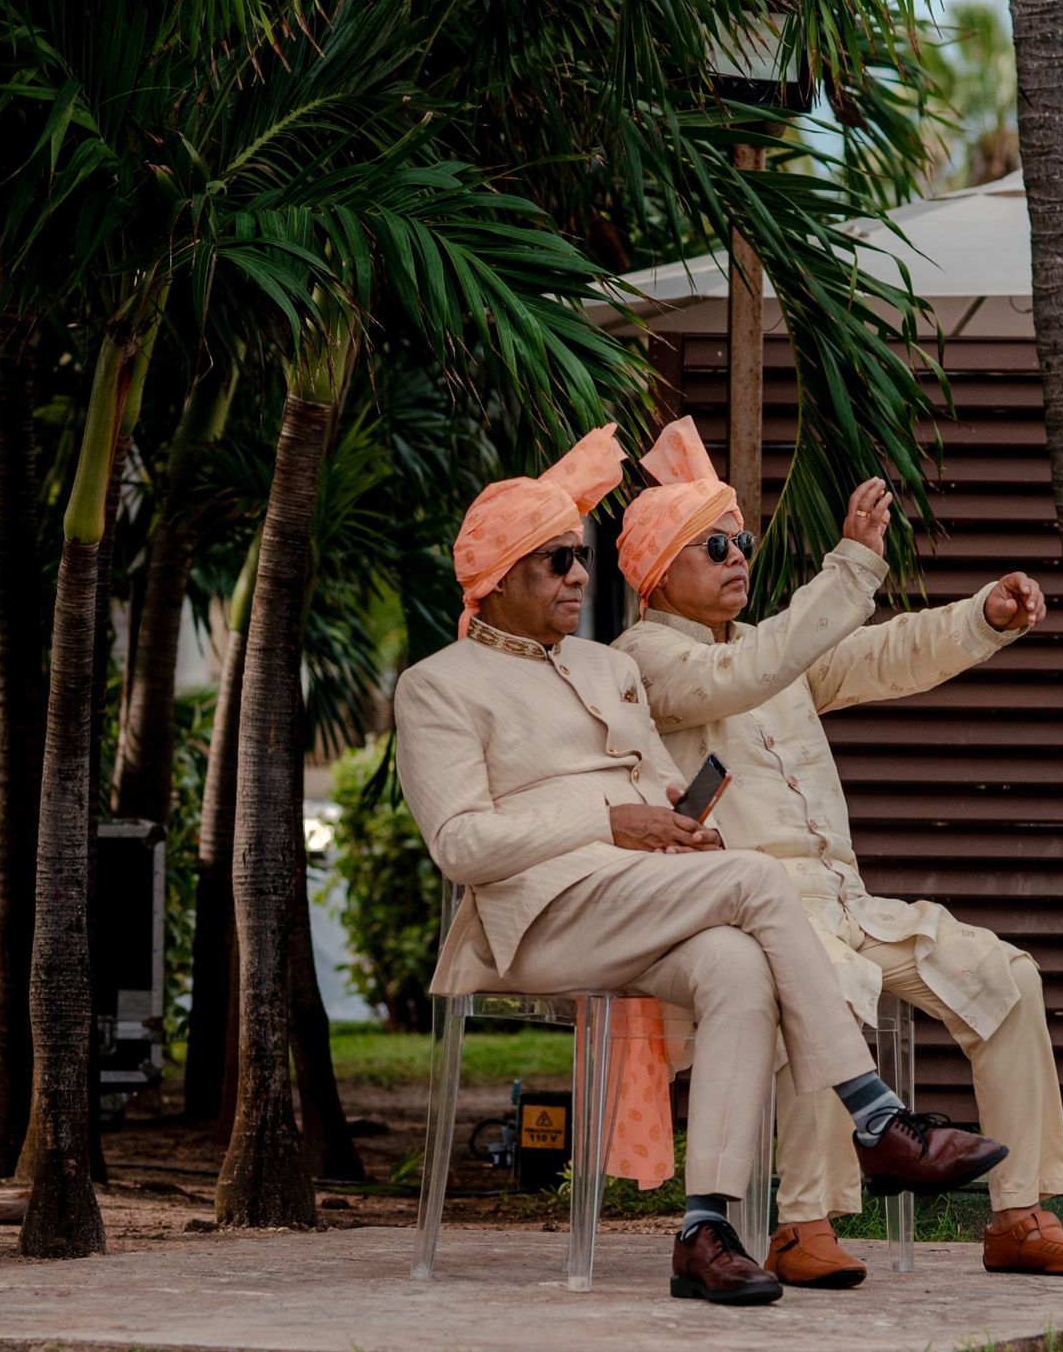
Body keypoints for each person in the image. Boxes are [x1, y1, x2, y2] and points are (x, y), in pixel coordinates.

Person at [393, 424, 1009, 1307]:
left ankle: (704, 1229)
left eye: (580, 557)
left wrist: (686, 827)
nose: (578, 575)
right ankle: (877, 1116)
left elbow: (657, 784)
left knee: (735, 965)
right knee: (758, 879)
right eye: (555, 561)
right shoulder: (440, 685)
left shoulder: (608, 668)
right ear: (495, 581)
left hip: (640, 897)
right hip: (538, 920)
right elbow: (460, 844)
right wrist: (608, 817)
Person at [612, 416, 1063, 1286]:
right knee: (830, 991)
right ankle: (802, 1226)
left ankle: (1022, 1214)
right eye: (716, 545)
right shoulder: (645, 658)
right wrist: (850, 563)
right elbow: (746, 676)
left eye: (741, 540)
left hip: (845, 900)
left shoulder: (764, 647)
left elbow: (879, 654)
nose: (739, 555)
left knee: (1007, 977)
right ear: (661, 572)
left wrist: (983, 618)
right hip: (749, 911)